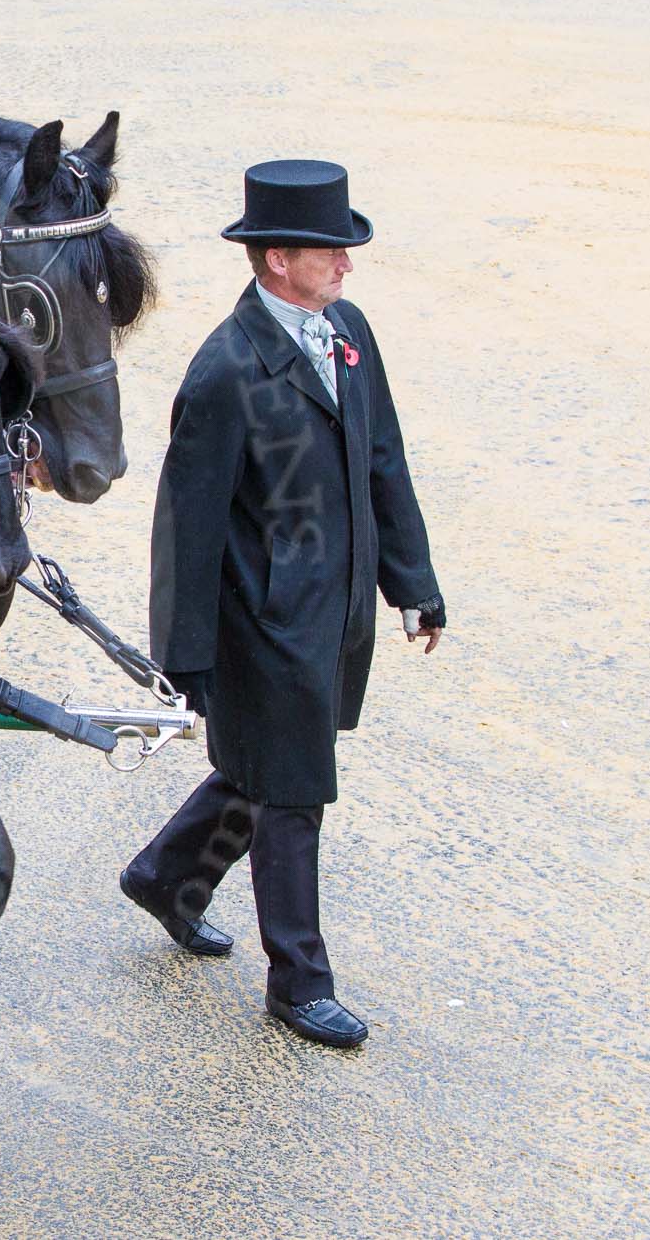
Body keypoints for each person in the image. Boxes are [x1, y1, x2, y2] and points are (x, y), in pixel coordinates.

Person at [121, 159, 445, 1048]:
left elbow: (383, 459)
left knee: (265, 767)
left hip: (333, 610)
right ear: (275, 260)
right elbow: (186, 526)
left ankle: (167, 877)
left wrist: (413, 583)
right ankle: (299, 981)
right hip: (261, 624)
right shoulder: (226, 372)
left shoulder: (349, 333)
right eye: (329, 250)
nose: (346, 264)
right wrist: (183, 656)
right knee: (294, 789)